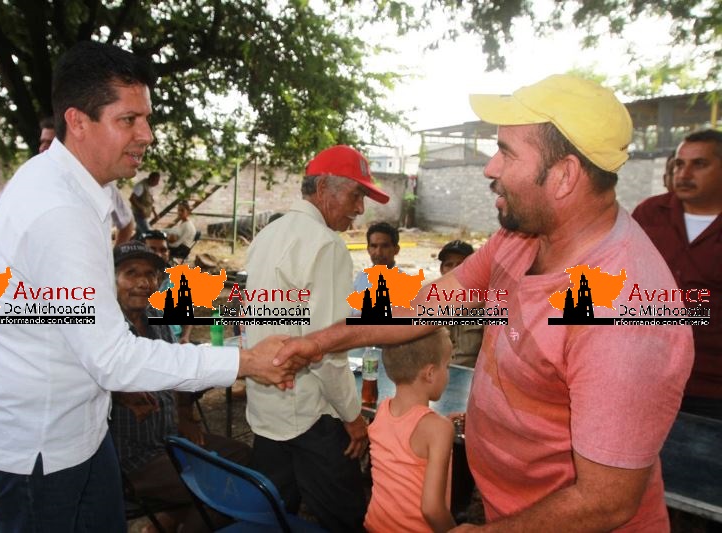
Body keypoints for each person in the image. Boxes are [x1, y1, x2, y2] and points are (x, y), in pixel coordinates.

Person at [275, 75, 694, 531]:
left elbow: (605, 501)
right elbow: (428, 306)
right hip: (510, 506)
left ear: (565, 175)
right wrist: (319, 342)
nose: (490, 168)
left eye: (507, 153)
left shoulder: (624, 315)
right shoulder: (521, 238)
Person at [0, 41, 296, 532]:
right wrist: (244, 362)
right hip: (40, 450)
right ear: (78, 121)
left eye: (147, 119)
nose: (147, 135)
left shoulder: (69, 184)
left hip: (79, 428)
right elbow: (113, 358)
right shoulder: (59, 210)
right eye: (129, 120)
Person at [245, 144, 390, 532]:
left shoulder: (268, 234)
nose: (360, 209)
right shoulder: (326, 245)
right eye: (356, 195)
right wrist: (353, 418)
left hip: (267, 409)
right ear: (323, 187)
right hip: (311, 416)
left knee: (272, 519)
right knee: (346, 519)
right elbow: (327, 349)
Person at [109, 240, 251, 533]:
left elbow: (179, 368)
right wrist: (117, 393)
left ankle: (169, 521)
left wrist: (184, 414)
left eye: (150, 274)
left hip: (171, 439)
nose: (142, 282)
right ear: (110, 279)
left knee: (245, 458)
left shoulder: (157, 318)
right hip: (131, 459)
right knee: (219, 489)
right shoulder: (101, 328)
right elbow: (78, 379)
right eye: (131, 273)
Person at [632, 129, 722, 420]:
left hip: (710, 390)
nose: (684, 174)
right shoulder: (650, 213)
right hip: (646, 375)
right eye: (679, 164)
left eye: (699, 164)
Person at [0, 117, 135, 247]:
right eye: (42, 142)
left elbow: (127, 224)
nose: (43, 148)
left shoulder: (101, 184)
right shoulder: (26, 180)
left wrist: (114, 261)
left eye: (50, 143)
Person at [365, 328, 455, 533]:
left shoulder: (383, 410)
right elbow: (432, 509)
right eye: (447, 366)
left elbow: (405, 438)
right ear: (430, 373)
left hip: (375, 526)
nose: (448, 373)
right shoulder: (439, 430)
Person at [437, 240, 483, 368]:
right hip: (436, 372)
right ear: (441, 270)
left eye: (460, 264)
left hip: (470, 373)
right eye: (449, 265)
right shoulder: (430, 304)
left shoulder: (485, 305)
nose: (454, 270)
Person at [353, 221, 401, 293]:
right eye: (374, 246)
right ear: (368, 249)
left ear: (396, 250)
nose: (378, 253)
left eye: (385, 246)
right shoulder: (360, 280)